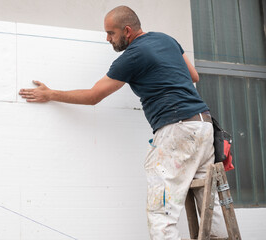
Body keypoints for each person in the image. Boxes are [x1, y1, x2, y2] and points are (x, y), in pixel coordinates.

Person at [19, 5, 227, 240]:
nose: (107, 38)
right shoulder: (166, 39)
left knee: (162, 211)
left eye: (111, 33)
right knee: (209, 203)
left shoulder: (132, 57)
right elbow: (194, 76)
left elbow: (93, 96)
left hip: (176, 130)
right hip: (203, 125)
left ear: (127, 30)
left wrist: (51, 94)